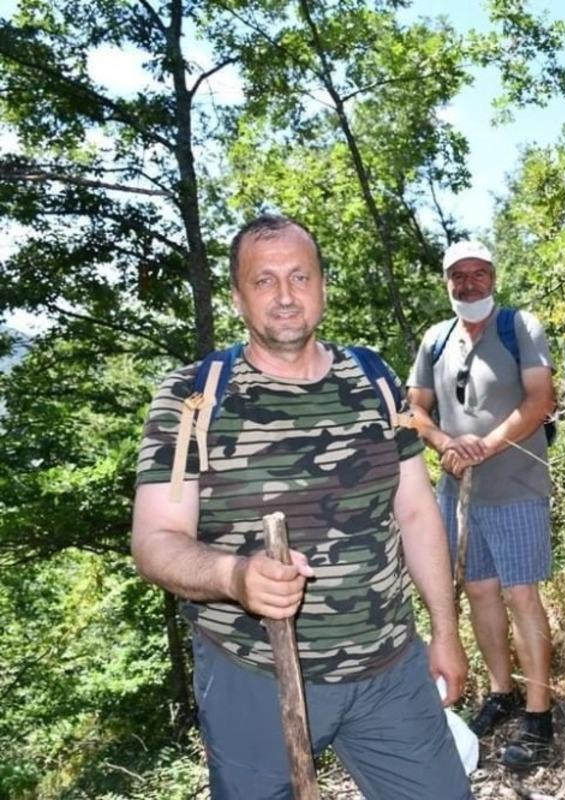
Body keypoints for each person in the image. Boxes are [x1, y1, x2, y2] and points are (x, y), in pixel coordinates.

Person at [131, 214, 473, 799]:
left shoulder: (374, 380)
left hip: (389, 670)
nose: (286, 296)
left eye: (300, 276)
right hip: (253, 676)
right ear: (238, 297)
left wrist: (444, 630)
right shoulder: (193, 399)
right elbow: (155, 541)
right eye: (264, 281)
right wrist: (234, 576)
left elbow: (415, 511)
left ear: (322, 286)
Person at [407, 240, 557, 771]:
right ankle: (502, 692)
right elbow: (415, 409)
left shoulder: (521, 328)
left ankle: (539, 713)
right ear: (446, 282)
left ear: (493, 276)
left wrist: (483, 447)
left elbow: (541, 400)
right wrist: (446, 444)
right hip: (459, 492)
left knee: (521, 595)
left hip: (516, 485)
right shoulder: (436, 338)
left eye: (478, 273)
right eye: (458, 276)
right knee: (478, 592)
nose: (469, 283)